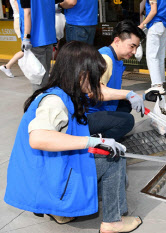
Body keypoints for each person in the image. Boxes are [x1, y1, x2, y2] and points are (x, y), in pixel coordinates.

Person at [4, 41, 143, 233]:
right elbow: (37, 138)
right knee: (114, 160)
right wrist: (93, 141)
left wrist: (128, 94)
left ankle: (58, 208)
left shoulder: (62, 91)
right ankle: (113, 221)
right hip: (48, 181)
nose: (97, 84)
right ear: (81, 74)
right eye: (94, 78)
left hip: (45, 174)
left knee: (115, 175)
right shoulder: (54, 101)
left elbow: (100, 92)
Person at [87, 20, 148, 142]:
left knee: (126, 103)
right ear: (117, 41)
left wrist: (144, 96)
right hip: (87, 116)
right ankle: (96, 143)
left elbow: (113, 91)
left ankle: (105, 131)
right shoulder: (105, 59)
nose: (134, 52)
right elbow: (95, 92)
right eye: (132, 46)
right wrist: (128, 94)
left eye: (136, 47)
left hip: (101, 109)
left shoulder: (117, 59)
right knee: (128, 120)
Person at [140, 0, 166, 94]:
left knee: (152, 56)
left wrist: (142, 25)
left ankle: (157, 85)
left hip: (155, 25)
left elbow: (153, 11)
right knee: (160, 56)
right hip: (165, 26)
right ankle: (161, 81)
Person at [18, 0, 56, 91]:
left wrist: (26, 37)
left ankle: (39, 101)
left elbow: (27, 13)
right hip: (48, 36)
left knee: (37, 77)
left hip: (35, 38)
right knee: (45, 74)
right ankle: (44, 99)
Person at [0, 0, 24, 78]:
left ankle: (7, 66)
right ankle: (7, 66)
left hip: (20, 20)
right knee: (26, 49)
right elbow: (21, 11)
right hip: (21, 21)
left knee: (26, 49)